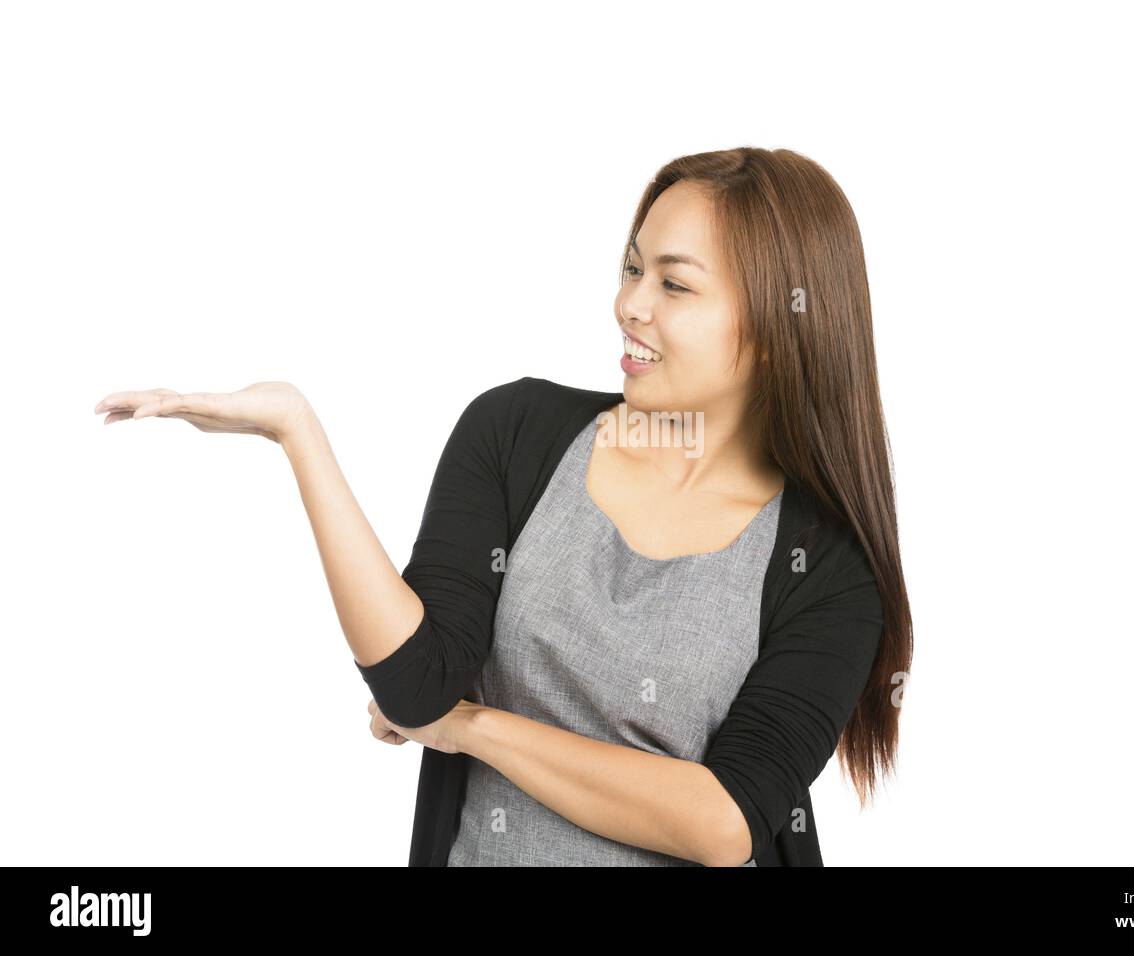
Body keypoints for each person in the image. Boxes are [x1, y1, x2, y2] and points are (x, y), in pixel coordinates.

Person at [92, 146, 913, 866]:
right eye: (632, 269)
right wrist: (297, 432)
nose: (631, 304)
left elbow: (725, 821)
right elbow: (416, 686)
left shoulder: (828, 566)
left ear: (776, 326)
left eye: (675, 283)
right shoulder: (518, 432)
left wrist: (474, 730)